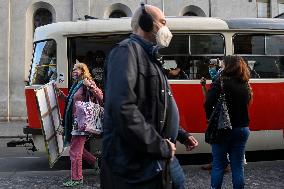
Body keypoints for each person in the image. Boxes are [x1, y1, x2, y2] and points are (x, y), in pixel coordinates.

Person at [101, 3, 198, 189]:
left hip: (158, 157)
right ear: (146, 23)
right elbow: (123, 109)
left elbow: (158, 106)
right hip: (138, 165)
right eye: (162, 22)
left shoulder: (150, 57)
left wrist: (181, 134)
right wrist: (161, 146)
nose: (165, 28)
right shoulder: (126, 52)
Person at [204, 55, 252, 189]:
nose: (221, 66)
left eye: (223, 64)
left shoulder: (220, 82)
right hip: (242, 128)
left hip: (222, 129)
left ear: (228, 66)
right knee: (237, 165)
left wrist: (210, 118)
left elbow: (208, 103)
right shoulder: (245, 83)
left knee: (218, 164)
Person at [56, 61, 103, 187]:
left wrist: (91, 86)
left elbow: (101, 97)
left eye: (76, 69)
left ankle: (77, 178)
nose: (73, 72)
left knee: (74, 150)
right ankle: (94, 162)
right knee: (77, 147)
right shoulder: (75, 85)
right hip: (73, 121)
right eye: (73, 70)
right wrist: (61, 96)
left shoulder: (86, 82)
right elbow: (72, 102)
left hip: (81, 122)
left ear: (83, 71)